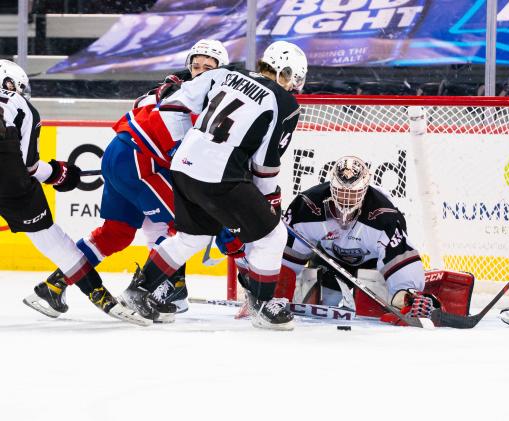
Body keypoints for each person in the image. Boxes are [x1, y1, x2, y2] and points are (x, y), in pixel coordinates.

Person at [23, 39, 229, 321]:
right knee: (184, 222)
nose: (201, 71)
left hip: (119, 154)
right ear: (188, 67)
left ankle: (53, 285)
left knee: (116, 233)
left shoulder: (166, 88)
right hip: (139, 160)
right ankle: (158, 289)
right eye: (197, 65)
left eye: (208, 66)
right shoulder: (199, 98)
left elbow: (141, 111)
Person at [118, 41, 308, 330]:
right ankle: (262, 305)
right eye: (295, 79)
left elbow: (171, 101)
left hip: (182, 166)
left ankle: (138, 291)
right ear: (287, 72)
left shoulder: (228, 74)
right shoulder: (284, 102)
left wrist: (188, 144)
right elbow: (265, 165)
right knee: (273, 235)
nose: (295, 86)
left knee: (190, 238)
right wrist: (269, 200)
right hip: (219, 176)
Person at [0, 59, 148, 326]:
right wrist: (59, 173)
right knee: (49, 236)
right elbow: (27, 166)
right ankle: (98, 293)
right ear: (10, 83)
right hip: (7, 178)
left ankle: (56, 290)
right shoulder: (21, 106)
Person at [278, 156, 440, 322]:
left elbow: (398, 258)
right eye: (341, 192)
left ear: (364, 190)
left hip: (372, 268)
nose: (346, 200)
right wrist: (270, 289)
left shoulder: (384, 216)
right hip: (328, 262)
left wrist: (408, 295)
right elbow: (286, 260)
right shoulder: (307, 206)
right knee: (320, 298)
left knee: (373, 311)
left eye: (353, 194)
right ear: (332, 188)